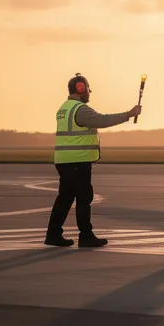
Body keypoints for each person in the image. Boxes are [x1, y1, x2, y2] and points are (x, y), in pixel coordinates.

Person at [46, 74, 141, 248]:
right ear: (80, 88)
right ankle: (86, 236)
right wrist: (129, 113)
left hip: (64, 161)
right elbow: (103, 120)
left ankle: (53, 234)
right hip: (77, 162)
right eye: (88, 88)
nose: (90, 92)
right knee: (84, 197)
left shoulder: (64, 108)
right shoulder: (80, 109)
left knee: (65, 198)